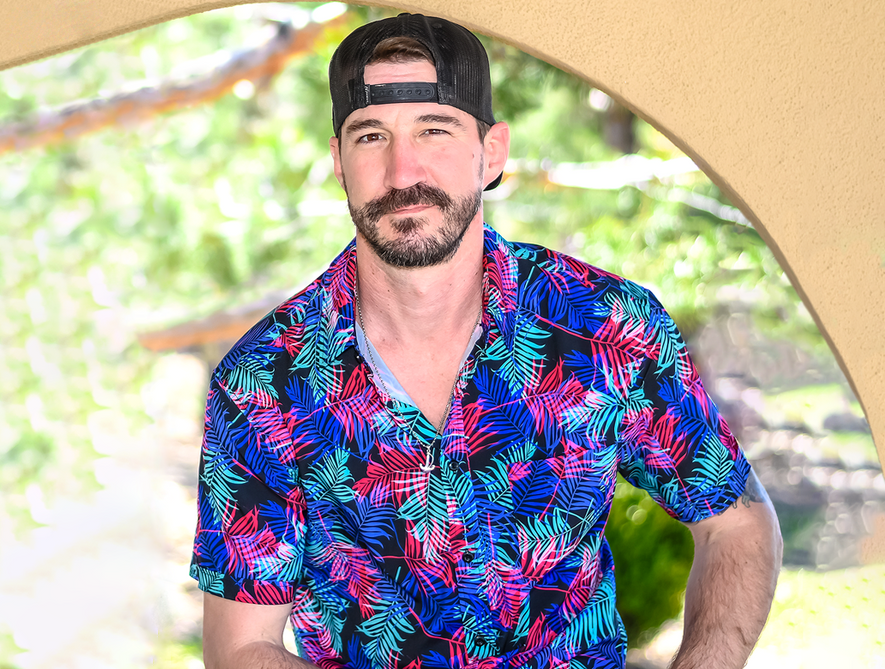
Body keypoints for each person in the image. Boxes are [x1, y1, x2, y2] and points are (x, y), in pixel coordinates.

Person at [190, 13, 783, 669]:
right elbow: (243, 645)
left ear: (491, 152)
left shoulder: (605, 326)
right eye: (371, 135)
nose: (401, 169)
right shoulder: (262, 385)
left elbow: (737, 522)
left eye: (434, 130)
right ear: (338, 160)